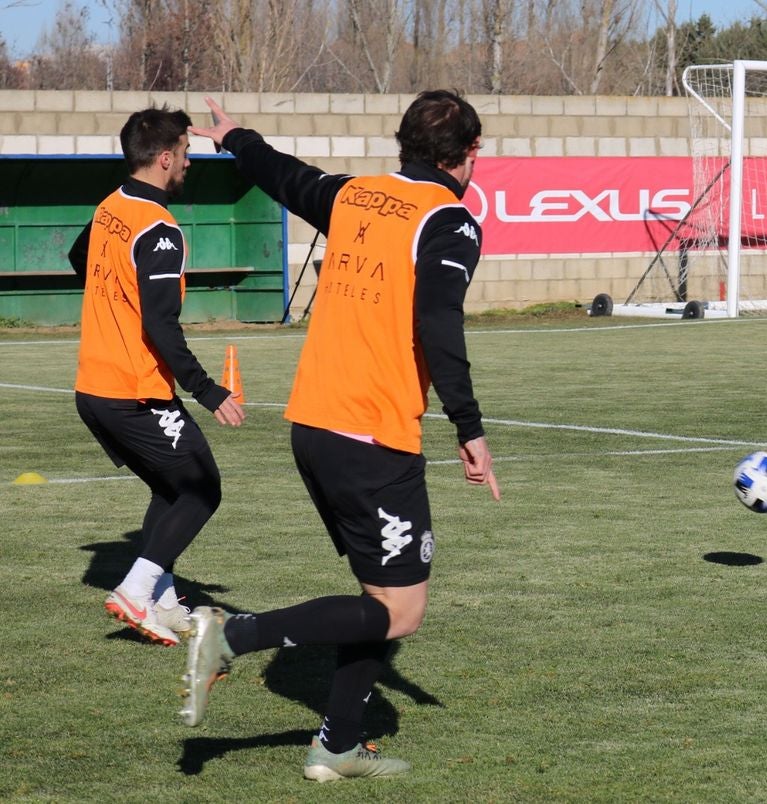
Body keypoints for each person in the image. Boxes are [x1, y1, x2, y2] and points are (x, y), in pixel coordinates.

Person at [179, 90, 501, 782]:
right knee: (401, 611)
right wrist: (470, 431)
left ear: (403, 145)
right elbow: (440, 329)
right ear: (469, 155)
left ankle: (337, 746)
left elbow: (284, 173)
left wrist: (237, 137)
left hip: (316, 423)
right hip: (371, 436)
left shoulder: (356, 196)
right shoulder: (451, 222)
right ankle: (233, 636)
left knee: (377, 602)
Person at [71, 106, 246, 648]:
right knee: (200, 489)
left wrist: (111, 305)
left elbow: (80, 257)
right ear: (166, 157)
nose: (189, 164)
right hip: (132, 390)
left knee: (170, 488)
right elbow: (162, 326)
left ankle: (164, 600)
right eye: (187, 155)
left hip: (94, 386)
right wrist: (209, 390)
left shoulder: (110, 207)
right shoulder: (160, 228)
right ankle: (135, 590)